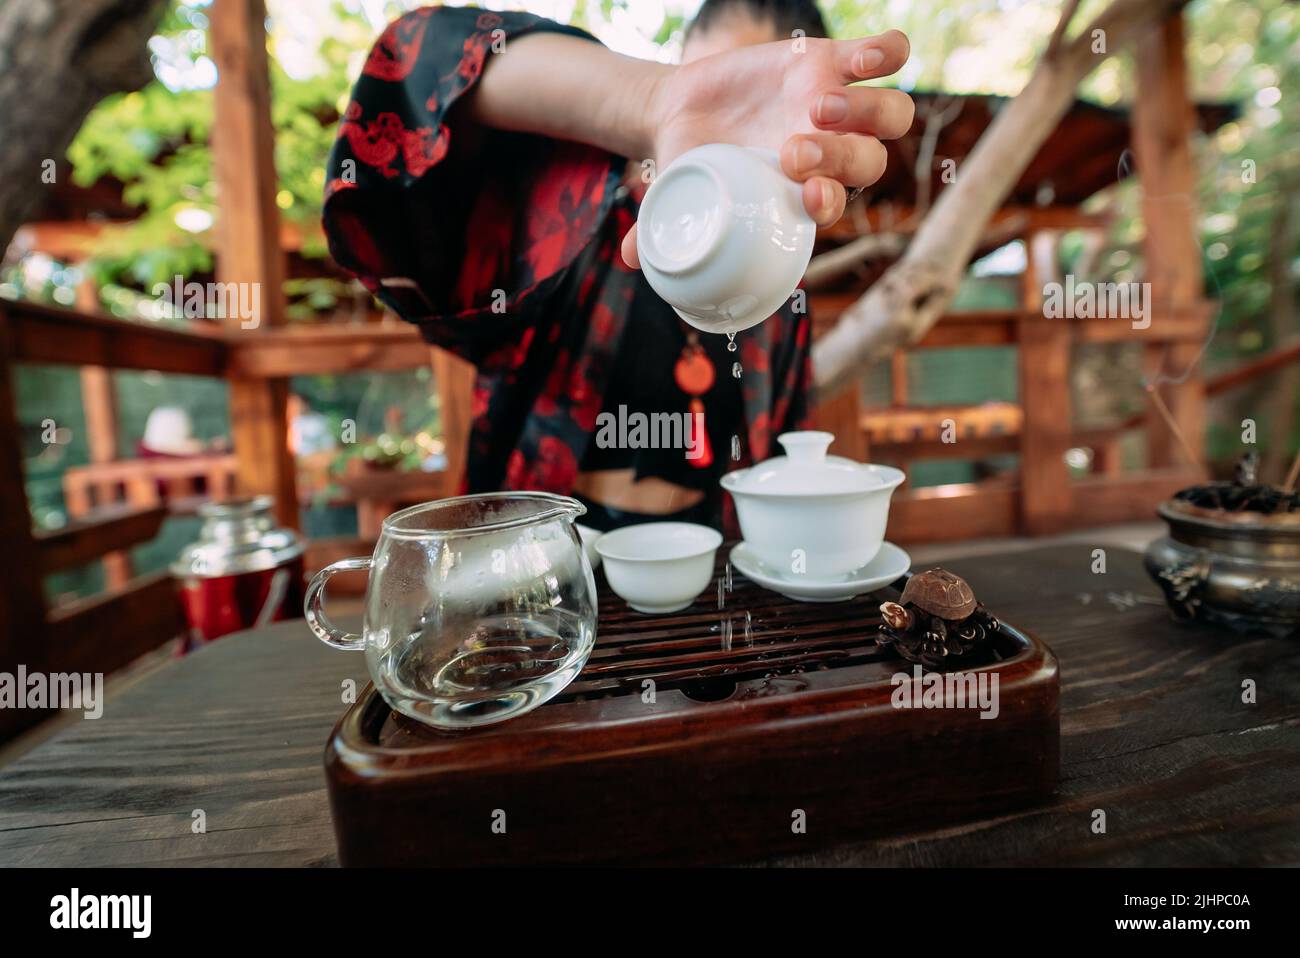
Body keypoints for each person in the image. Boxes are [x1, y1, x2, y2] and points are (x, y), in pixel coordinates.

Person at [323, 1, 912, 531]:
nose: (726, 130)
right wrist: (655, 100)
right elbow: (412, 65)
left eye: (754, 107)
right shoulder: (573, 222)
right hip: (544, 574)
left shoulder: (782, 282)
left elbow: (780, 448)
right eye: (709, 81)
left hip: (712, 565)